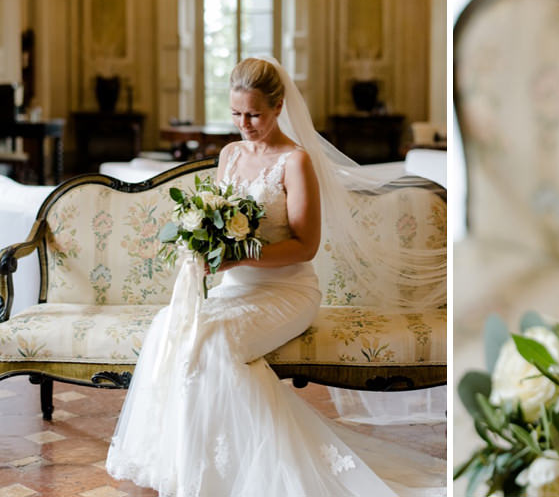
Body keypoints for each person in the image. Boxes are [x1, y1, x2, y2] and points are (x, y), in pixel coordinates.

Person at [106, 57, 446, 496]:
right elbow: (217, 218)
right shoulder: (229, 155)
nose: (243, 124)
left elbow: (306, 246)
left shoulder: (295, 161)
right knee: (170, 328)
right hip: (234, 289)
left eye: (254, 114)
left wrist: (240, 255)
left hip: (287, 292)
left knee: (215, 342)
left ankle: (261, 471)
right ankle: (196, 466)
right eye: (236, 113)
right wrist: (205, 245)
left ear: (278, 105)